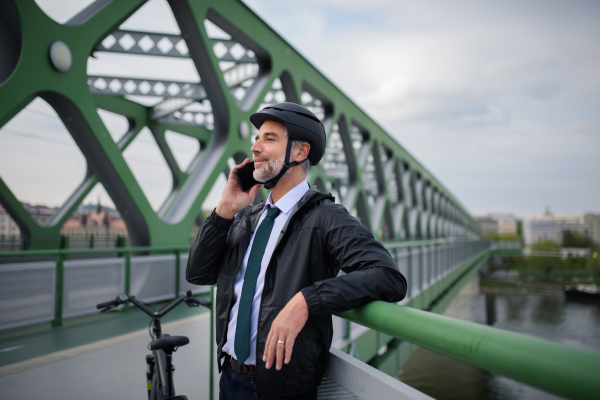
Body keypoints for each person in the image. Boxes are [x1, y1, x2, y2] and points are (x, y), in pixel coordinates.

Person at [186, 102, 407, 399]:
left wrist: (307, 300)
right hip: (230, 378)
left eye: (269, 138)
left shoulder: (326, 216)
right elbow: (198, 273)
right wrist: (224, 210)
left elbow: (388, 277)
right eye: (257, 137)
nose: (255, 147)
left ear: (301, 152)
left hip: (284, 390)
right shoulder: (246, 218)